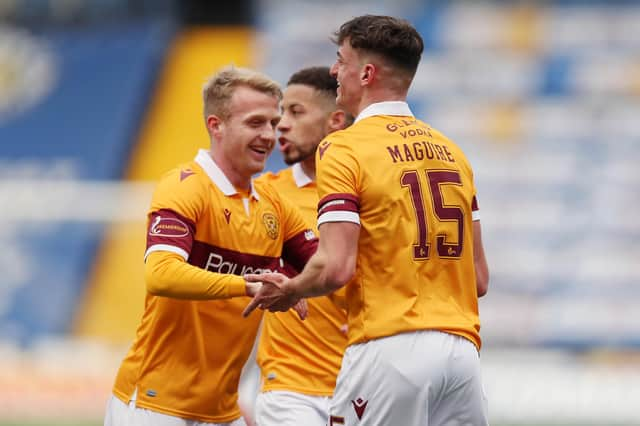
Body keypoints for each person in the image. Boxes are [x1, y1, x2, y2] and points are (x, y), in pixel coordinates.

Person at [244, 15, 490, 426]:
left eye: (341, 61)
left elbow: (336, 267)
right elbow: (479, 280)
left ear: (367, 72)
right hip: (462, 353)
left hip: (389, 348)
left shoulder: (345, 148)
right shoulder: (452, 153)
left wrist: (291, 290)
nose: (336, 72)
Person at [104, 66, 318, 426]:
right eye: (255, 123)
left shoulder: (273, 203)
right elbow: (161, 274)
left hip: (222, 410)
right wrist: (248, 285)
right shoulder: (186, 186)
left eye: (272, 122)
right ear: (215, 125)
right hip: (155, 406)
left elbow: (324, 263)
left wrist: (294, 285)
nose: (269, 135)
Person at [252, 66, 351, 426]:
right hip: (290, 387)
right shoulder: (266, 193)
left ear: (335, 121)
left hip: (364, 383)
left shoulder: (372, 193)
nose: (281, 125)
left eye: (296, 112)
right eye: (282, 113)